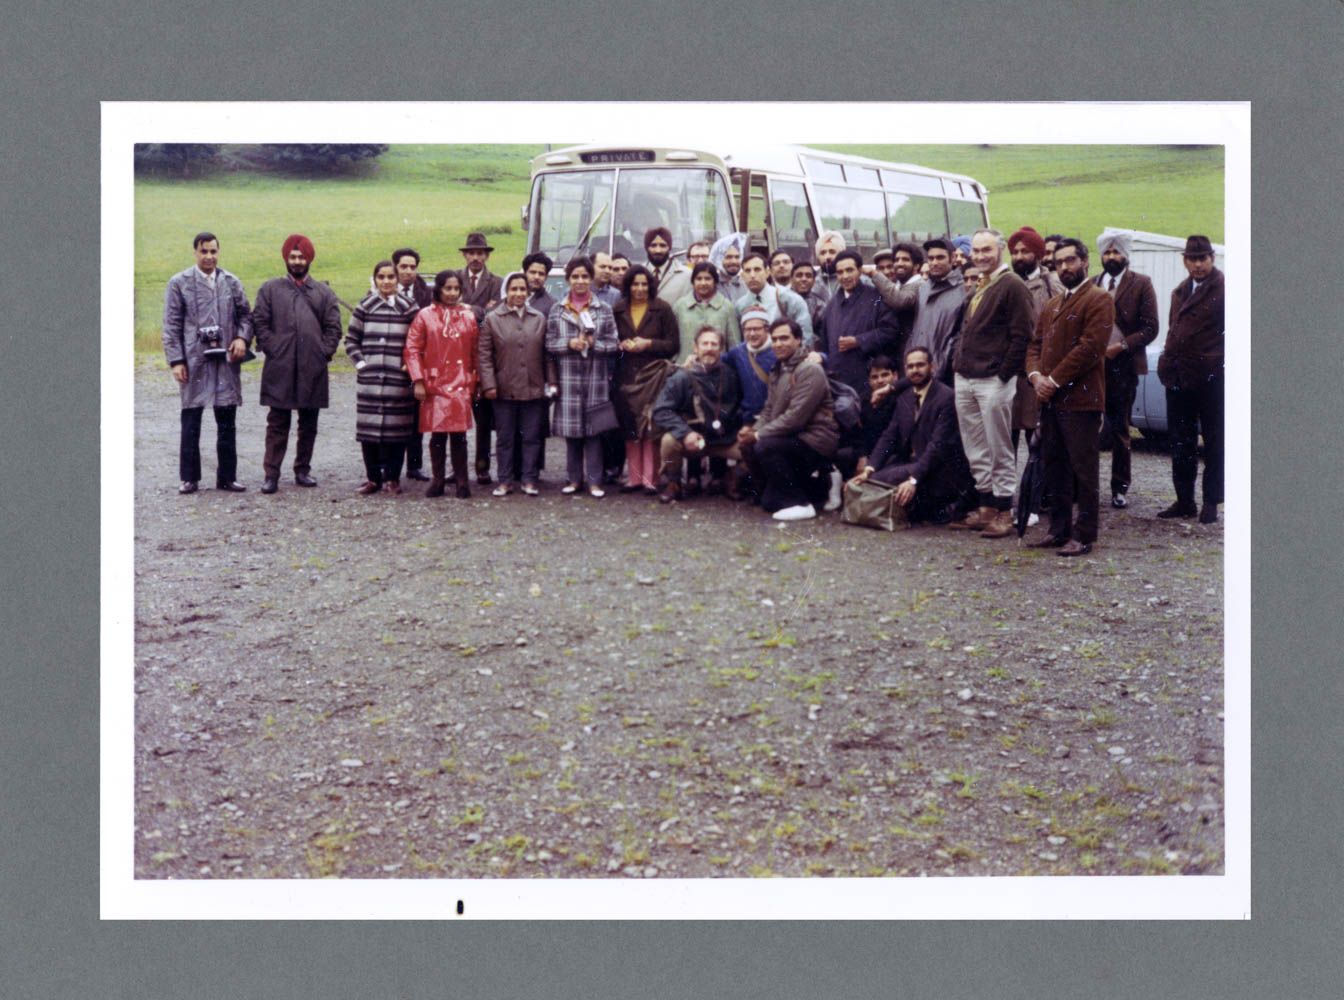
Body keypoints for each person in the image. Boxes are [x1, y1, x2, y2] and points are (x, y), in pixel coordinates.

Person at [1025, 238, 1113, 556]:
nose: (1064, 267)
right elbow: (1034, 346)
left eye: (1071, 260)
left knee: (1083, 470)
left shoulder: (1099, 299)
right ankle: (1059, 530)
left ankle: (1084, 534)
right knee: (1055, 467)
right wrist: (1035, 377)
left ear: (1085, 261)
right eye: (1059, 262)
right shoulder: (1052, 305)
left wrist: (1053, 380)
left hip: (1081, 401)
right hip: (1050, 401)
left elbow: (1090, 348)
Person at [948, 228, 1035, 538]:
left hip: (993, 380)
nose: (981, 256)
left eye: (987, 250)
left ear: (1000, 251)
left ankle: (1004, 512)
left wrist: (1004, 375)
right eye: (976, 250)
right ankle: (986, 507)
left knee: (999, 446)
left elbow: (1023, 335)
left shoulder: (1012, 285)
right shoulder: (979, 285)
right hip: (966, 378)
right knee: (976, 446)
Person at [162, 231, 253, 494]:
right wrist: (176, 361)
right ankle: (190, 477)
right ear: (195, 252)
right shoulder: (179, 283)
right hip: (193, 360)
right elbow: (171, 325)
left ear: (219, 252)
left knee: (227, 418)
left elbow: (247, 316)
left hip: (226, 359)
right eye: (204, 251)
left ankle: (227, 476)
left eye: (213, 251)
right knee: (191, 418)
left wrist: (241, 338)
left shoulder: (231, 282)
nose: (209, 256)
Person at [252, 233, 342, 494]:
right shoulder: (269, 289)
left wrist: (322, 353)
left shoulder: (324, 292)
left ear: (309, 258)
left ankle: (303, 470)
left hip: (313, 366)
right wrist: (274, 349)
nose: (297, 261)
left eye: (301, 256)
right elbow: (260, 322)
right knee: (277, 422)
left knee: (309, 422)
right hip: (280, 366)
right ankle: (271, 474)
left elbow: (333, 327)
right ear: (285, 258)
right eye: (292, 257)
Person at [851, 346, 976, 525]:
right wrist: (869, 469)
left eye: (920, 365)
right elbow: (889, 437)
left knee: (883, 482)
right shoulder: (905, 396)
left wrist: (913, 480)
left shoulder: (946, 397)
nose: (915, 370)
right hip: (913, 464)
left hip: (940, 470)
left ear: (932, 367)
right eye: (910, 366)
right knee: (872, 480)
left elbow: (937, 446)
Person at [736, 318, 839, 521]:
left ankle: (799, 503)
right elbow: (768, 410)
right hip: (792, 438)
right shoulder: (778, 369)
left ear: (799, 340)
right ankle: (822, 484)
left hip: (816, 439)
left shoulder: (810, 370)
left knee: (764, 446)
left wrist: (758, 435)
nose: (778, 344)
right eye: (774, 339)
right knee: (769, 503)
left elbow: (795, 418)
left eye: (784, 338)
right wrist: (753, 430)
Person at [1156, 235, 1224, 524]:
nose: (1197, 264)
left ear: (1212, 259)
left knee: (1215, 441)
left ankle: (1211, 501)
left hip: (1211, 378)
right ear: (1184, 261)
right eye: (1192, 259)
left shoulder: (1225, 290)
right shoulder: (1179, 291)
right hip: (1179, 378)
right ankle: (1185, 500)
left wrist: (1215, 363)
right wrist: (1166, 362)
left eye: (1203, 258)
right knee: (1180, 442)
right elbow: (1174, 330)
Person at [1091, 231, 1160, 508]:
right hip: (1093, 368)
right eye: (1107, 253)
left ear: (1126, 255)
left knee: (1119, 430)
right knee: (1088, 428)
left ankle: (1119, 488)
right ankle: (1085, 487)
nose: (1111, 258)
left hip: (1123, 368)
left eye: (1116, 252)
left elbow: (1151, 328)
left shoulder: (1141, 284)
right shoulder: (1094, 283)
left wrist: (1122, 346)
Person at [545, 256, 620, 498]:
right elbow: (549, 344)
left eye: (584, 277)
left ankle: (595, 481)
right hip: (568, 379)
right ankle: (574, 479)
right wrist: (569, 343)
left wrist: (594, 343)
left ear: (591, 279)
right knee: (572, 434)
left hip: (595, 379)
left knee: (594, 432)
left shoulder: (604, 309)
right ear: (568, 279)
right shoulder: (557, 309)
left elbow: (614, 344)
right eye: (575, 277)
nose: (580, 281)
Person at [343, 261, 419, 496]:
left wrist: (408, 367)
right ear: (374, 280)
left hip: (398, 381)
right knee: (370, 431)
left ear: (397, 280)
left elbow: (418, 340)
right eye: (381, 277)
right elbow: (351, 340)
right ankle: (373, 478)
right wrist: (362, 364)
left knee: (397, 432)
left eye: (391, 277)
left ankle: (393, 478)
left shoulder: (408, 307)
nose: (386, 281)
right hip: (371, 381)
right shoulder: (365, 306)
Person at [404, 270, 479, 499]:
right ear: (438, 289)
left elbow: (475, 351)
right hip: (435, 383)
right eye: (448, 288)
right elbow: (412, 349)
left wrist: (475, 380)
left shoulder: (468, 316)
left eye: (456, 289)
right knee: (437, 434)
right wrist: (418, 379)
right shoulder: (425, 315)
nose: (452, 293)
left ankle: (462, 480)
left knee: (459, 435)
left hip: (460, 382)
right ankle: (437, 479)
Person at [478, 271, 552, 497]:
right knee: (505, 438)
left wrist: (551, 384)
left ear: (528, 293)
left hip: (533, 388)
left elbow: (547, 354)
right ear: (506, 292)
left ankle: (529, 479)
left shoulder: (539, 318)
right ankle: (505, 481)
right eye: (514, 289)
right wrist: (489, 384)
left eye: (522, 290)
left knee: (531, 437)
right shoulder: (492, 318)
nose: (518, 294)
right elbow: (484, 355)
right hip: (504, 389)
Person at [653, 326, 743, 503]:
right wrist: (685, 432)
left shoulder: (731, 375)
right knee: (669, 442)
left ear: (721, 348)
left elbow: (740, 405)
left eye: (714, 344)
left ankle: (733, 479)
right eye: (705, 344)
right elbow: (661, 410)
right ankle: (674, 484)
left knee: (754, 446)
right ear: (695, 348)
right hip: (696, 440)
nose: (709, 348)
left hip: (725, 439)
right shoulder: (681, 377)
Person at [612, 265, 681, 493]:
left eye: (644, 284)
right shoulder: (618, 309)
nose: (639, 288)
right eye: (635, 284)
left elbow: (673, 345)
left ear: (650, 285)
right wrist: (621, 345)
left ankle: (651, 479)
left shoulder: (662, 309)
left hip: (653, 376)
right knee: (630, 427)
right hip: (626, 375)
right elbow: (611, 341)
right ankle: (634, 478)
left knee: (650, 427)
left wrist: (648, 344)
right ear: (628, 286)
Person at [869, 238, 965, 385]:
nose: (934, 262)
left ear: (952, 258)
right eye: (931, 258)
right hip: (917, 369)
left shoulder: (962, 290)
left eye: (940, 257)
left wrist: (945, 362)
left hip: (945, 373)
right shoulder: (924, 288)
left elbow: (958, 335)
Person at [1006, 226, 1064, 455]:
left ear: (1038, 255)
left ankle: (1036, 491)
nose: (1019, 257)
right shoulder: (1004, 283)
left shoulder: (1053, 286)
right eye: (1015, 252)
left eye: (1025, 251)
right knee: (1005, 442)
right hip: (1008, 374)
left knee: (1038, 443)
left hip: (1037, 375)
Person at [817, 249, 902, 401]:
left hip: (867, 379)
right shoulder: (832, 304)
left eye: (849, 270)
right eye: (840, 272)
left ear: (860, 271)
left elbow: (891, 331)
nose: (845, 276)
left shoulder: (876, 297)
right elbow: (824, 342)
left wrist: (859, 341)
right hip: (837, 382)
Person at [456, 233, 505, 485]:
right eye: (471, 253)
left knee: (483, 419)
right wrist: (480, 309)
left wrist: (467, 308)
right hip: (456, 355)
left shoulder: (497, 282)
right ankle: (457, 468)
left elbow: (492, 317)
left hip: (484, 355)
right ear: (465, 255)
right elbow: (448, 310)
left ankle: (482, 467)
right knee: (455, 417)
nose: (475, 257)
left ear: (487, 256)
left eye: (480, 253)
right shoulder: (454, 278)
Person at [391, 247, 432, 481]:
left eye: (413, 267)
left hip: (418, 362)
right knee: (395, 416)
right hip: (393, 360)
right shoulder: (384, 290)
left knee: (417, 417)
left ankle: (414, 466)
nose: (408, 271)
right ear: (395, 267)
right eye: (404, 267)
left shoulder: (426, 293)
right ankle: (390, 465)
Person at [735, 252, 814, 346]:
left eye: (757, 270)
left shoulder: (789, 299)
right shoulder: (740, 305)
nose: (752, 275)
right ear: (742, 276)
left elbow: (805, 335)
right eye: (748, 271)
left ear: (767, 273)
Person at [722, 306, 776, 426]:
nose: (752, 334)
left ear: (767, 329)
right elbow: (717, 361)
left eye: (756, 329)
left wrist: (820, 356)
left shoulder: (778, 350)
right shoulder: (738, 352)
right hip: (748, 418)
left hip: (774, 417)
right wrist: (696, 358)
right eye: (747, 329)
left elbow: (802, 356)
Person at [673, 261, 742, 351]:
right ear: (693, 281)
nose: (703, 283)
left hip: (718, 363)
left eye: (708, 279)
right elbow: (673, 341)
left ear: (715, 281)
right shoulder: (680, 306)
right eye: (699, 279)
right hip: (686, 363)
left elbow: (734, 343)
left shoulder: (726, 307)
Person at [657, 239, 709, 306]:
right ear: (688, 259)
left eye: (704, 256)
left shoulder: (717, 280)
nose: (700, 260)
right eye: (696, 256)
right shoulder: (678, 279)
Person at [789, 259, 828, 332]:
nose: (804, 279)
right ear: (791, 279)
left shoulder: (820, 305)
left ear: (814, 281)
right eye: (799, 275)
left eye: (808, 276)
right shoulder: (781, 299)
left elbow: (823, 333)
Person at [711, 233, 748, 304]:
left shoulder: (747, 284)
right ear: (718, 259)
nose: (734, 261)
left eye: (737, 257)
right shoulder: (711, 285)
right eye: (728, 257)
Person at [813, 231, 846, 301]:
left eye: (832, 252)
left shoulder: (854, 278)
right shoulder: (811, 280)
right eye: (823, 253)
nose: (827, 257)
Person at [522, 252, 557, 316]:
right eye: (533, 272)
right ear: (524, 273)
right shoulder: (512, 297)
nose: (536, 277)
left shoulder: (552, 305)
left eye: (541, 274)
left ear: (546, 277)